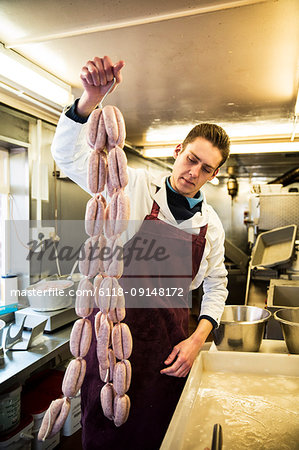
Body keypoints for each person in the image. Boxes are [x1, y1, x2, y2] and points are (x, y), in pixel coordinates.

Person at [51, 56, 230, 450]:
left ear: (213, 175)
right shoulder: (131, 186)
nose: (192, 172)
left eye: (205, 169)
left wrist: (200, 337)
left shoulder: (210, 225)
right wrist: (89, 101)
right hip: (111, 346)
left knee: (162, 435)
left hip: (169, 351)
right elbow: (69, 158)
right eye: (190, 159)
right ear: (178, 150)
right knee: (107, 438)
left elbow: (216, 285)